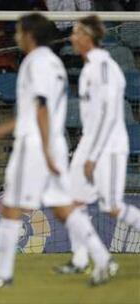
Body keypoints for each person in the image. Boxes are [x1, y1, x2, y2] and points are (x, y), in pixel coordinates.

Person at [0, 13, 115, 288]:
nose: (15, 36)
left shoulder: (36, 62)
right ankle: (103, 258)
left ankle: (2, 274)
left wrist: (46, 151)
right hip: (49, 142)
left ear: (29, 34)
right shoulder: (53, 63)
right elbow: (34, 109)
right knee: (63, 208)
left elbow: (41, 107)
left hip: (37, 145)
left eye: (17, 31)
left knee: (12, 206)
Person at [55, 15, 140, 274]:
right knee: (71, 201)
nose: (72, 37)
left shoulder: (104, 68)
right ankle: (82, 258)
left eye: (77, 33)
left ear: (88, 37)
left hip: (108, 145)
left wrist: (93, 154)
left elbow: (108, 115)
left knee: (111, 206)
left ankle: (98, 260)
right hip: (89, 142)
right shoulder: (90, 67)